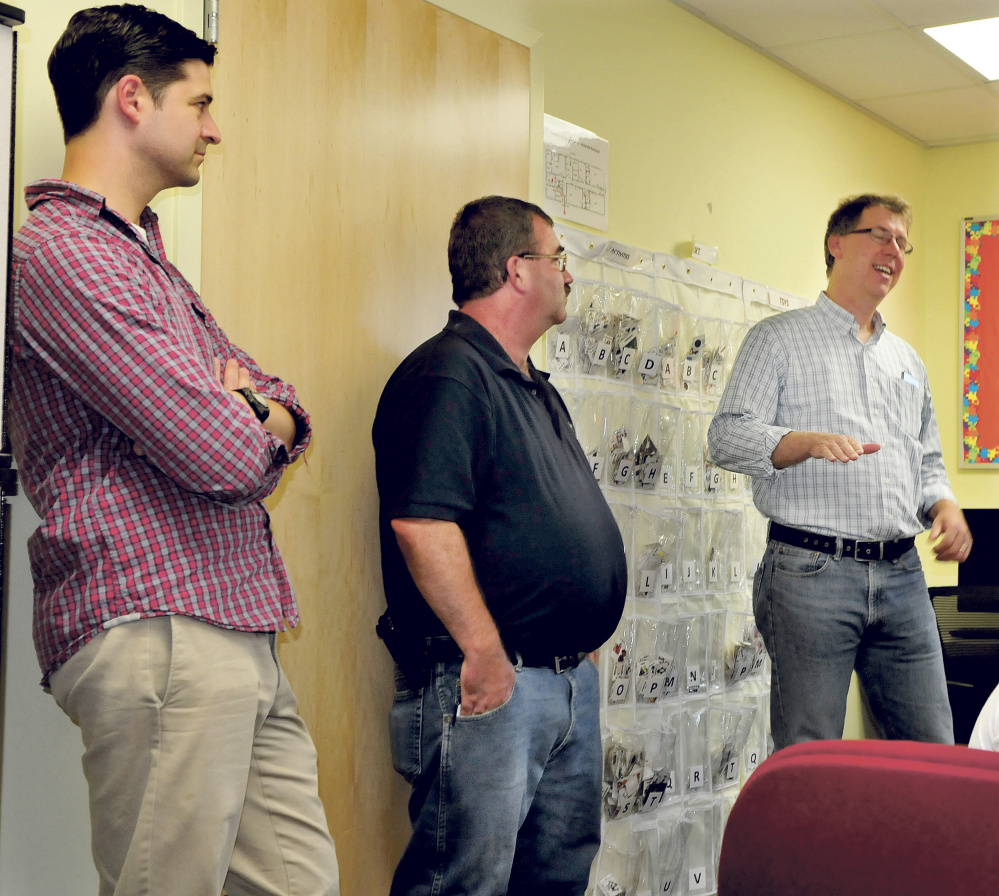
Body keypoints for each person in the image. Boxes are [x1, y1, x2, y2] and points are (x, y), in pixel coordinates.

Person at [9, 7, 339, 895]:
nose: (214, 127)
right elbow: (222, 453)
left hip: (229, 621)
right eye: (198, 104)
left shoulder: (141, 258)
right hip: (161, 625)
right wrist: (246, 413)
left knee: (300, 884)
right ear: (130, 99)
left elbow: (286, 410)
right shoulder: (63, 253)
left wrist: (257, 411)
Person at [372, 195, 627, 895]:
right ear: (517, 270)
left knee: (554, 873)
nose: (567, 276)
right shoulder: (448, 375)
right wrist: (483, 654)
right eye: (558, 260)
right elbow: (421, 523)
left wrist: (577, 631)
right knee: (464, 879)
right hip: (491, 684)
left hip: (561, 678)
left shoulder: (529, 385)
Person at [708, 193, 971, 752]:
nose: (894, 251)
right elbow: (726, 436)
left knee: (932, 752)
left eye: (903, 243)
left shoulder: (907, 361)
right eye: (880, 235)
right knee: (811, 754)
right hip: (810, 575)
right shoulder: (777, 340)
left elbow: (926, 462)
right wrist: (799, 443)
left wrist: (943, 504)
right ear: (836, 244)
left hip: (903, 576)